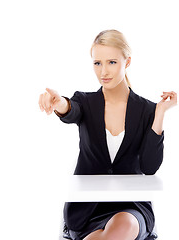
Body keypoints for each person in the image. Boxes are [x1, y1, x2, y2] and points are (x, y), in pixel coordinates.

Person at [38, 30, 177, 240]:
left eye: (111, 62)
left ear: (127, 62)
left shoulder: (146, 110)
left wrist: (159, 115)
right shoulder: (85, 101)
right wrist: (60, 104)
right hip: (87, 208)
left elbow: (150, 167)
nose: (104, 71)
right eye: (97, 63)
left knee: (125, 225)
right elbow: (71, 110)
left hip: (131, 206)